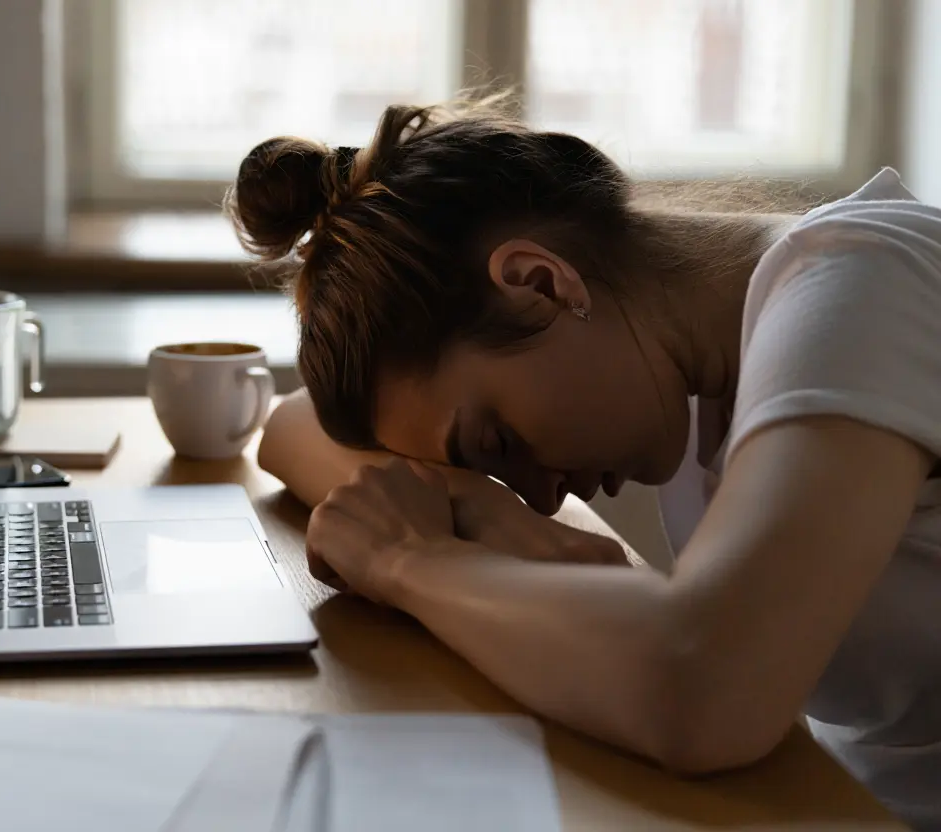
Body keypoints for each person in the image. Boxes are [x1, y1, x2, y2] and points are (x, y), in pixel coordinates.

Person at [225, 96, 941, 830]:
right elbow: (291, 423)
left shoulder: (859, 282)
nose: (538, 495)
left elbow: (706, 687)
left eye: (497, 444)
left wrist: (409, 562)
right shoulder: (695, 346)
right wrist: (489, 512)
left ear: (541, 283)